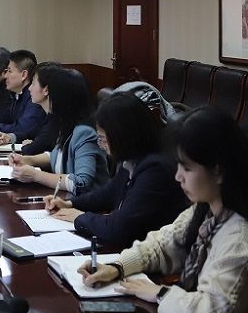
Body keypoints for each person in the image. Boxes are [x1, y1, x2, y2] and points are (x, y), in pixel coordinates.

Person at [79, 107, 248, 313]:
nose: (178, 176)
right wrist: (116, 267)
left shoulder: (239, 243)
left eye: (187, 168)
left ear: (218, 171)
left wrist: (159, 293)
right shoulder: (205, 211)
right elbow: (160, 245)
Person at [43, 93, 188, 248]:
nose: (101, 145)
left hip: (150, 254)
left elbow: (119, 229)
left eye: (102, 138)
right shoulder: (132, 160)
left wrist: (80, 217)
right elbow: (108, 193)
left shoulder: (155, 170)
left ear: (121, 136)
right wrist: (70, 203)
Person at [7, 68, 109, 196]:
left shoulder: (84, 132)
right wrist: (28, 160)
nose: (29, 88)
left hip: (87, 204)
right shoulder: (64, 123)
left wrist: (35, 175)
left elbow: (81, 183)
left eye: (33, 83)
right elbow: (58, 156)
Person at [18, 61, 64, 156]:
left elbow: (31, 149)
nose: (29, 88)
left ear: (46, 90)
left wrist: (29, 145)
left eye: (33, 83)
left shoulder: (57, 120)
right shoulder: (48, 115)